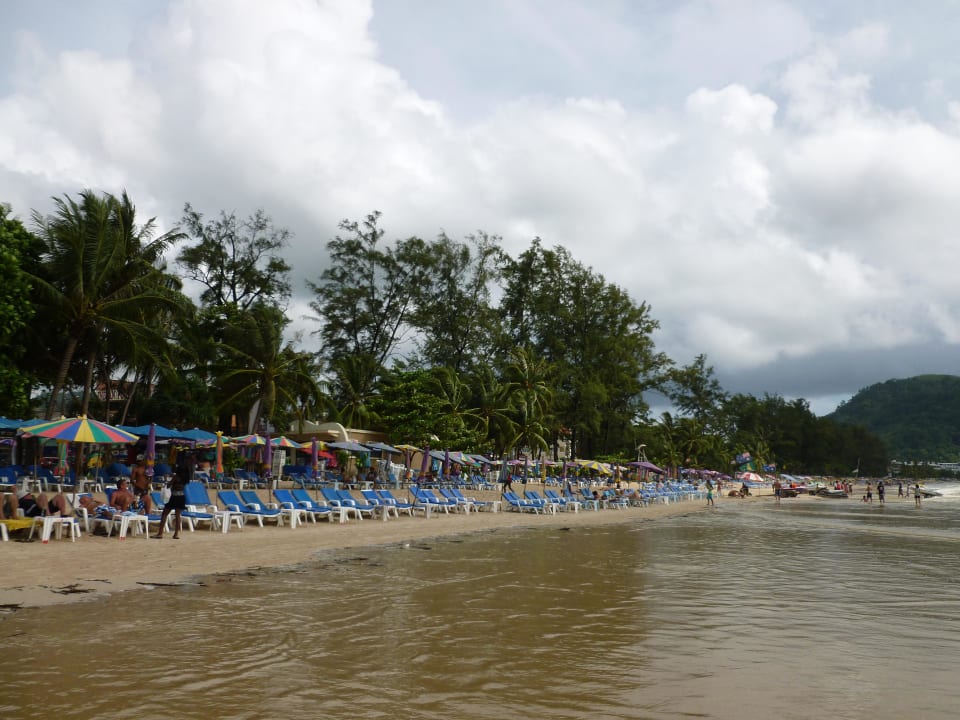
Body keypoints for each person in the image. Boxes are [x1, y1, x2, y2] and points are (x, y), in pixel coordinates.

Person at [152, 470, 186, 539]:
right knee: (178, 516)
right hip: (181, 496)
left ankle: (160, 533)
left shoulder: (176, 476)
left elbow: (168, 485)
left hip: (174, 496)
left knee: (165, 514)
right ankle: (176, 534)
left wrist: (165, 479)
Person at [2, 490, 70, 519]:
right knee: (43, 495)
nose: (30, 495)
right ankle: (48, 514)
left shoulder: (32, 499)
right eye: (29, 494)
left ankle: (63, 515)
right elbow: (14, 499)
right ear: (25, 496)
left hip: (43, 509)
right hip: (33, 511)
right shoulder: (23, 501)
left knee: (59, 496)